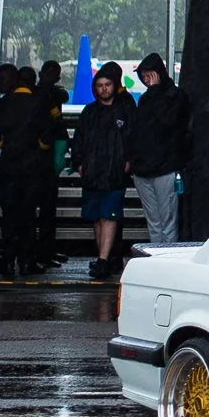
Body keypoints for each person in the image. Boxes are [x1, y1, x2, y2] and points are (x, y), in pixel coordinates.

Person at [70, 63, 136, 277]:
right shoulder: (89, 112)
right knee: (98, 218)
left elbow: (132, 138)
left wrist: (128, 160)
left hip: (113, 173)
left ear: (113, 85)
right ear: (94, 87)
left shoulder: (124, 110)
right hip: (92, 173)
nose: (104, 89)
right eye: (99, 85)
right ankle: (102, 258)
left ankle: (103, 259)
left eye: (107, 84)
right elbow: (78, 140)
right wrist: (79, 163)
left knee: (108, 217)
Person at [0, 66, 54, 279]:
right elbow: (47, 136)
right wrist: (38, 147)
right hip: (32, 166)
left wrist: (7, 145)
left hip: (9, 167)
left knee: (9, 215)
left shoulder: (1, 105)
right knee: (28, 215)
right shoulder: (38, 102)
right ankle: (27, 261)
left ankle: (8, 260)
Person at [125, 52, 191, 246]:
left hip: (165, 167)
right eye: (144, 77)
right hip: (144, 168)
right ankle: (157, 252)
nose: (146, 80)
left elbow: (168, 122)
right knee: (154, 220)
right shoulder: (145, 99)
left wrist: (154, 93)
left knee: (167, 220)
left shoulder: (176, 96)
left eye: (150, 76)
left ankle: (167, 255)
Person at [34, 61, 68, 266]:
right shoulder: (40, 95)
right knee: (45, 206)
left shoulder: (49, 93)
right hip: (41, 156)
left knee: (49, 207)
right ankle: (42, 252)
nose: (56, 77)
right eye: (53, 73)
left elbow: (63, 96)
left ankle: (47, 250)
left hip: (48, 153)